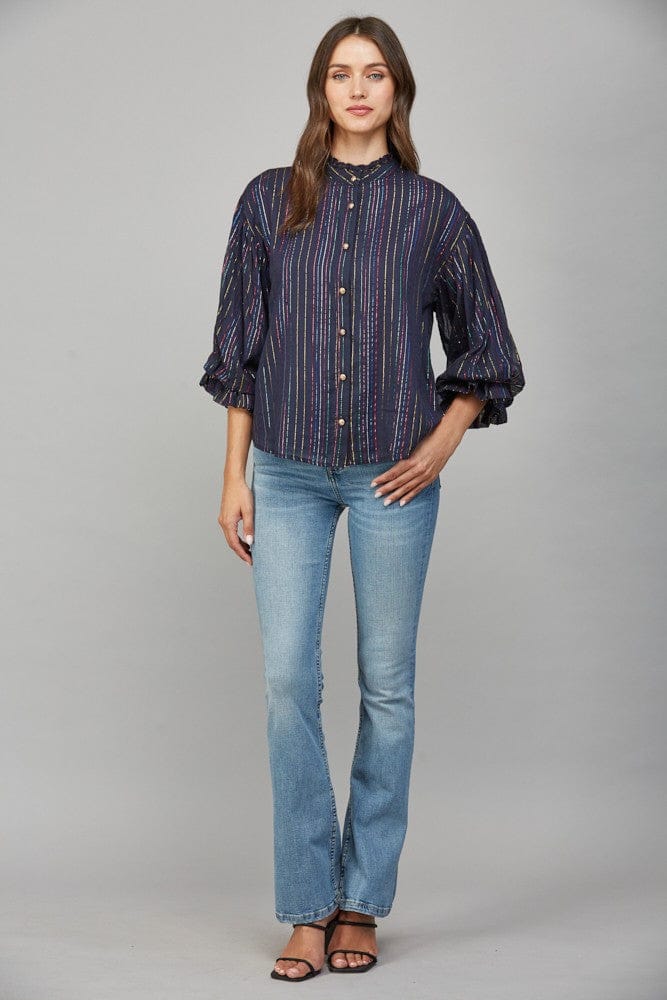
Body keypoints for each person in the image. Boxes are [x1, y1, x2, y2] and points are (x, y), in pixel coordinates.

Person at [198, 15, 525, 983]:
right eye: (339, 73)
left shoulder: (433, 214)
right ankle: (305, 905)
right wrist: (233, 476)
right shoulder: (268, 202)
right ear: (319, 89)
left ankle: (361, 903)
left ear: (397, 91)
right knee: (287, 682)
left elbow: (487, 349)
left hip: (392, 476)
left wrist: (438, 447)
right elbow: (239, 350)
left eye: (373, 73)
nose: (355, 89)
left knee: (387, 687)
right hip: (286, 471)